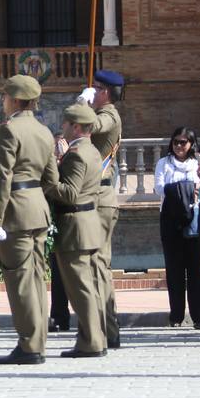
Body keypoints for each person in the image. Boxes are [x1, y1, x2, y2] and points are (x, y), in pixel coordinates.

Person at [0, 74, 59, 365]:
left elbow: (2, 176)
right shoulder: (44, 131)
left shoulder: (9, 131)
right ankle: (37, 341)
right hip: (38, 209)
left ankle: (29, 345)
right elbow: (51, 178)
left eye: (5, 96)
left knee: (20, 281)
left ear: (15, 99)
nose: (3, 102)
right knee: (37, 279)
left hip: (15, 211)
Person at [43, 104, 107, 357]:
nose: (63, 128)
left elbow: (69, 193)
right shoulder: (91, 151)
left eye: (66, 124)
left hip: (75, 226)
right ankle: (94, 338)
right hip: (88, 223)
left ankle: (90, 342)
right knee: (88, 287)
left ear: (76, 127)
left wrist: (48, 180)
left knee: (79, 289)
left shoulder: (77, 154)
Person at [79, 69, 124, 348]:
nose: (93, 91)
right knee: (94, 265)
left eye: (96, 88)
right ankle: (105, 328)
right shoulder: (102, 111)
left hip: (100, 197)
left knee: (98, 265)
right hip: (94, 194)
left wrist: (82, 104)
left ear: (105, 92)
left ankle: (107, 329)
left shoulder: (109, 115)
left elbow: (91, 127)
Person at [154, 127, 200, 328]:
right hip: (170, 219)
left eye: (183, 142)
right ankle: (176, 316)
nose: (179, 146)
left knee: (195, 270)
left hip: (193, 219)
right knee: (174, 270)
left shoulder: (196, 163)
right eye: (176, 141)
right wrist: (187, 188)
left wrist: (181, 189)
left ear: (191, 144)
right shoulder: (164, 163)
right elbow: (159, 188)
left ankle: (198, 315)